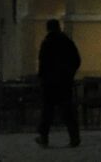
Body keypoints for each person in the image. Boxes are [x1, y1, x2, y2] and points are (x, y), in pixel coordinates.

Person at [36, 18, 82, 147]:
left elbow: (43, 63)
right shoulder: (66, 42)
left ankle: (44, 137)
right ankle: (74, 137)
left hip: (49, 83)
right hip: (64, 82)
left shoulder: (47, 42)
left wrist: (42, 78)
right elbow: (76, 60)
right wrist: (69, 74)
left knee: (47, 111)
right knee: (67, 110)